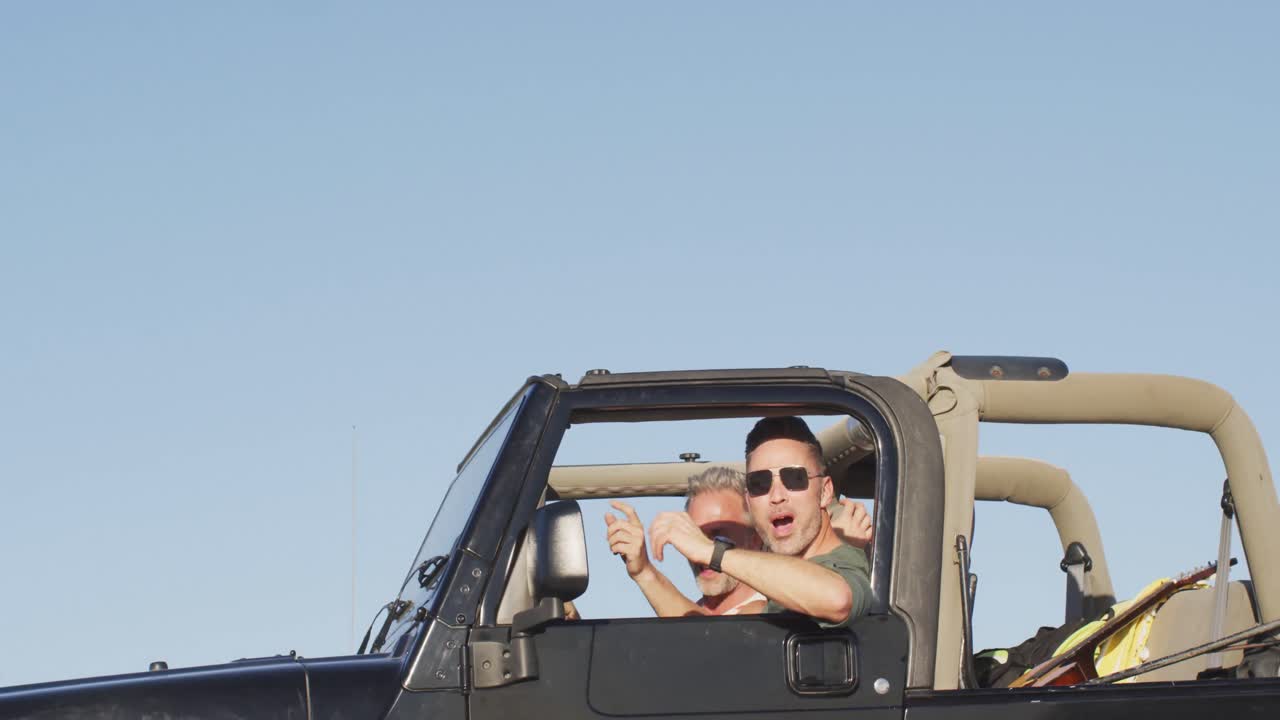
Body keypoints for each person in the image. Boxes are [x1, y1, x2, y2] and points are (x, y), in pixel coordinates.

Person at [649, 416, 872, 627]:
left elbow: (837, 599)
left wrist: (713, 552)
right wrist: (644, 572)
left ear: (824, 492)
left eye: (794, 479)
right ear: (749, 500)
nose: (776, 496)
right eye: (759, 484)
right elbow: (704, 647)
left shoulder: (847, 565)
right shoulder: (773, 601)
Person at [605, 467, 766, 616]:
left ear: (755, 540)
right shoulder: (675, 612)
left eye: (717, 535)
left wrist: (645, 572)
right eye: (692, 535)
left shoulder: (771, 614)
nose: (698, 550)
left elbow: (713, 640)